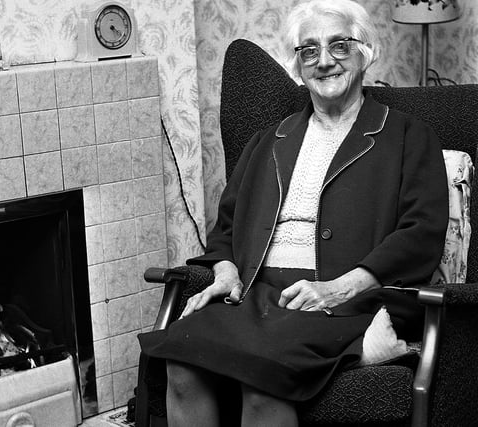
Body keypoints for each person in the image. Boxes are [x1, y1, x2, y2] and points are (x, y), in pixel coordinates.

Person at [138, 0, 449, 425]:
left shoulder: (408, 136)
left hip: (345, 299)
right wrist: (226, 271)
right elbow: (226, 227)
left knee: (261, 379)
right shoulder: (270, 140)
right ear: (297, 68)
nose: (324, 61)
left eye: (339, 46)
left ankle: (366, 339)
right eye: (309, 51)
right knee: (182, 360)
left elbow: (422, 232)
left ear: (365, 53)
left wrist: (339, 288)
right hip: (256, 294)